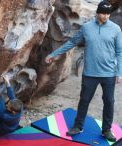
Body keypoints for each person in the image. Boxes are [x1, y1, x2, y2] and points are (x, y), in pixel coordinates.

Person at [45, 1, 122, 142]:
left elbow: (119, 51)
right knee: (84, 100)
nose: (105, 16)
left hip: (109, 74)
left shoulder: (116, 29)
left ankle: (106, 130)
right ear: (97, 12)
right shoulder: (86, 28)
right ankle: (77, 126)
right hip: (90, 74)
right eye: (102, 13)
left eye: (107, 14)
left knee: (109, 102)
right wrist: (54, 54)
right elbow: (72, 42)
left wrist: (119, 73)